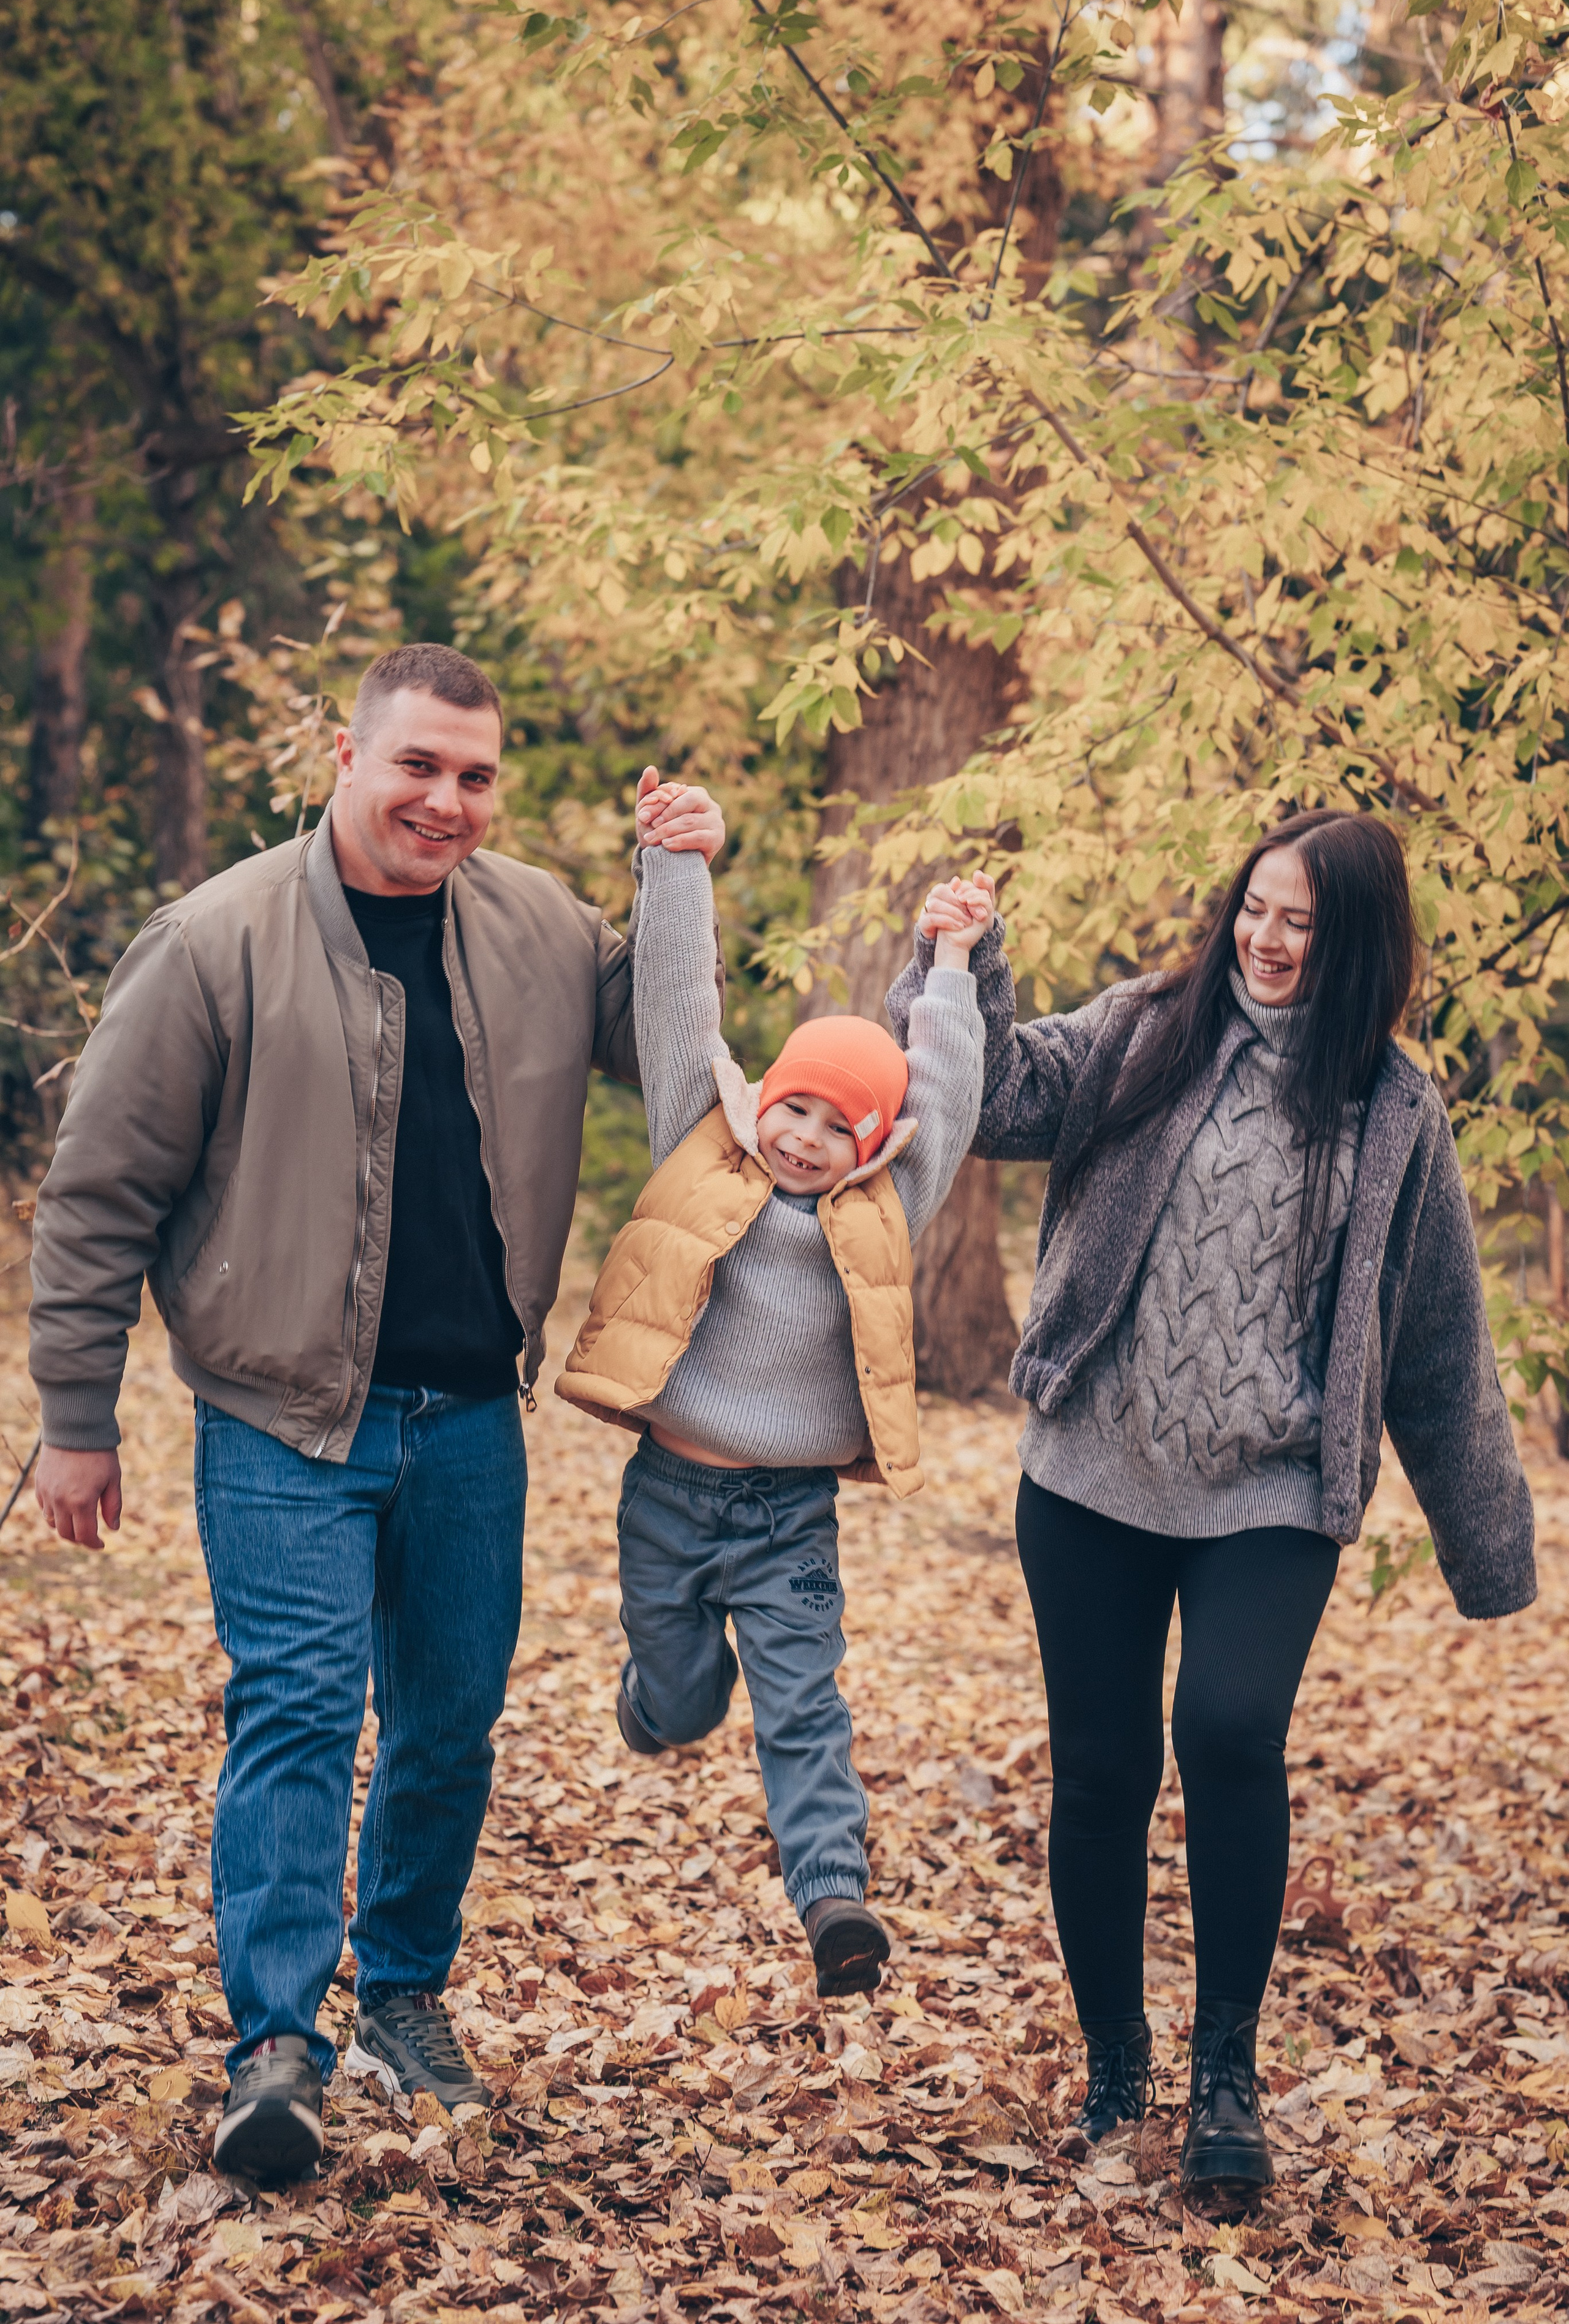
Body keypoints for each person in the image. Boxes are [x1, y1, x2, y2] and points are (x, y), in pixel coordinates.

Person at [26, 645, 726, 2184]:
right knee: (292, 1710)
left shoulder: (543, 927)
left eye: (476, 776)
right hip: (280, 1415)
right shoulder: (214, 941)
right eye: (417, 765)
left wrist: (681, 882)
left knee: (448, 1729)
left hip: (472, 1417)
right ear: (344, 757)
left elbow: (677, 1060)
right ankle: (276, 2042)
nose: (446, 800)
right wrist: (78, 1409)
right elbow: (95, 1193)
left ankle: (404, 1996)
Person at [887, 810, 1537, 2197]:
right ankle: (1116, 2055)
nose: (1266, 936)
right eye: (1254, 906)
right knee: (1103, 1769)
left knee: (1228, 1728)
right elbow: (992, 1097)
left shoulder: (1392, 1110)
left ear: (1354, 936)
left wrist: (1487, 1549)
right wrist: (959, 961)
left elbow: (1433, 1347)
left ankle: (1223, 2073)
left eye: (1299, 918)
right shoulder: (1143, 1031)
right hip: (1089, 1472)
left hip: (1269, 1486)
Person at [555, 806, 992, 1996]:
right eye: (792, 1106)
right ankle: (654, 1703)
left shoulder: (884, 1208)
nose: (803, 1135)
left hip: (789, 1516)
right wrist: (678, 861)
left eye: (834, 1123)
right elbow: (677, 1006)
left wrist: (950, 963)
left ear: (869, 1142)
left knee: (802, 1706)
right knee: (688, 1703)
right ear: (766, 1103)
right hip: (668, 1499)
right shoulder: (699, 1148)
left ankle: (831, 1899)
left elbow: (944, 1094)